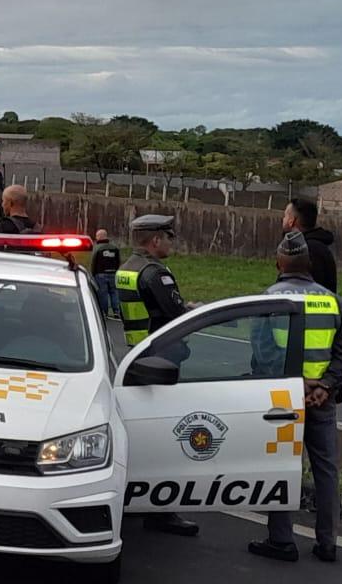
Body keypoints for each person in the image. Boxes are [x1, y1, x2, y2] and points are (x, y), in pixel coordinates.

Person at [248, 231, 342, 564]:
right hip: (322, 400)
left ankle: (281, 540)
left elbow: (263, 355)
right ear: (309, 264)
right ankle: (327, 544)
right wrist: (325, 386)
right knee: (326, 471)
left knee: (282, 466)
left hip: (285, 400)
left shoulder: (269, 299)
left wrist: (298, 387)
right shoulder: (333, 302)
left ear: (279, 262)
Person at [116, 213, 198, 538]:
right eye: (169, 236)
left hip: (137, 356)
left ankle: (131, 499)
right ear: (155, 241)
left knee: (140, 437)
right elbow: (176, 315)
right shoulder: (154, 274)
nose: (171, 242)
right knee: (169, 439)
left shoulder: (127, 268)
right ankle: (162, 511)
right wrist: (197, 309)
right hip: (161, 362)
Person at [282, 197, 338, 293]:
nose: (283, 219)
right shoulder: (318, 247)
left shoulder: (307, 250)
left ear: (291, 220)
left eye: (285, 216)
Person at [90, 228, 123, 318]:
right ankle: (116, 311)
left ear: (100, 237)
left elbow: (93, 262)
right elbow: (119, 261)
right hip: (113, 273)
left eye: (97, 236)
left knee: (103, 293)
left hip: (100, 274)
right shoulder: (114, 248)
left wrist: (92, 273)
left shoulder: (97, 248)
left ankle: (104, 312)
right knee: (114, 292)